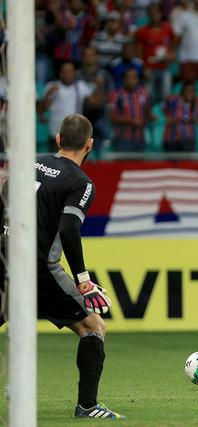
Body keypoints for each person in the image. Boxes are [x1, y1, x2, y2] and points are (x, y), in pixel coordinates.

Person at [3, 114, 123, 418]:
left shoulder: (30, 162)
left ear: (58, 139)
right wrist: (83, 279)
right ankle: (88, 407)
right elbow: (69, 228)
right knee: (92, 327)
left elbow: (3, 196)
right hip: (38, 267)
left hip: (4, 255)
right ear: (90, 144)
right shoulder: (80, 183)